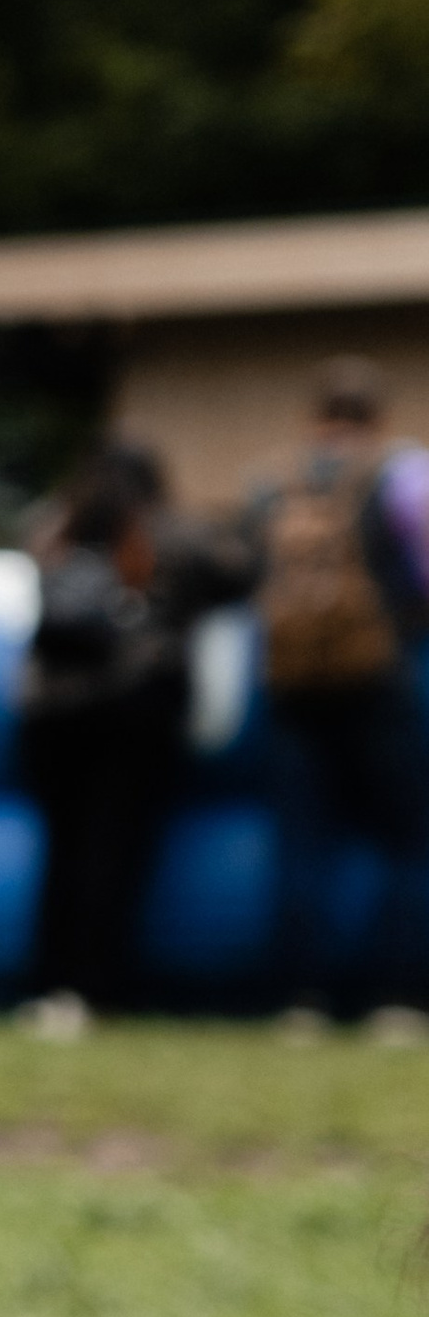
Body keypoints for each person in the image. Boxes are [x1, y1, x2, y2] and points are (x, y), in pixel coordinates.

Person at [16, 439, 233, 1031]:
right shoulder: (171, 534)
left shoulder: (52, 528)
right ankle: (98, 986)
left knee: (63, 851)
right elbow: (235, 576)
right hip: (133, 714)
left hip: (50, 717)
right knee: (115, 852)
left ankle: (49, 984)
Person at [252, 358, 429, 1030]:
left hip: (294, 688)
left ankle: (301, 999)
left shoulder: (277, 483)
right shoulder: (402, 477)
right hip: (376, 681)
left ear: (315, 417)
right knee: (410, 841)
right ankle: (398, 997)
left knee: (302, 845)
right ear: (377, 419)